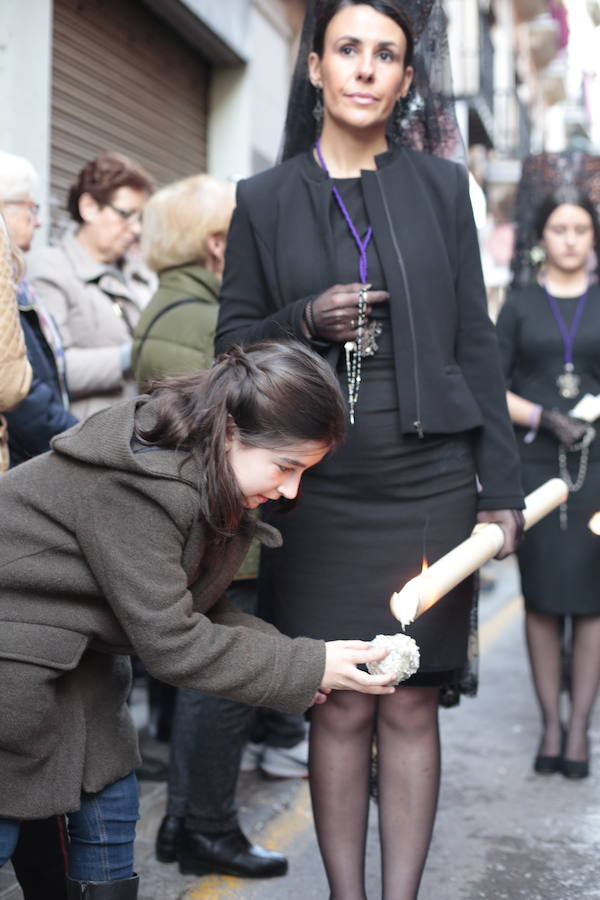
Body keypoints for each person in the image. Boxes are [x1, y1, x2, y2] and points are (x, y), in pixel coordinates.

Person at [216, 2, 524, 898]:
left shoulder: (439, 189)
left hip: (430, 479)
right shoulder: (263, 200)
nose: (364, 68)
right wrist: (302, 322)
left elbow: (478, 342)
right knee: (340, 700)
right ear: (314, 68)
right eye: (347, 50)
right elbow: (229, 345)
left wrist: (500, 493)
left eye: (384, 55)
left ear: (403, 78)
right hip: (316, 488)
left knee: (413, 698)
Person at [0, 340, 398, 899]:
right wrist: (306, 665)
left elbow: (202, 611)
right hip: (12, 687)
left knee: (108, 848)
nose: (290, 490)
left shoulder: (205, 471)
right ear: (231, 430)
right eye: (286, 467)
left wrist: (312, 665)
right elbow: (173, 642)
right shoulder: (141, 485)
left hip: (77, 679)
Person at [133, 174, 304, 877]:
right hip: (220, 529)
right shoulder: (194, 319)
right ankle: (206, 826)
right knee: (224, 685)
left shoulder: (175, 303)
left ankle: (184, 824)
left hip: (211, 529)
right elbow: (213, 437)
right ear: (216, 244)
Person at [496, 183, 600, 781]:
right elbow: (491, 382)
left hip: (595, 468)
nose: (570, 239)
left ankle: (581, 728)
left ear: (592, 240)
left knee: (589, 602)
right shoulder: (519, 305)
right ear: (541, 240)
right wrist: (542, 416)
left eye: (581, 230)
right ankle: (550, 726)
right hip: (533, 463)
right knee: (541, 598)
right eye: (559, 229)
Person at [26, 152, 155, 420]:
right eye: (126, 214)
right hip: (88, 437)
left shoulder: (140, 276)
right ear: (89, 207)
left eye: (140, 219)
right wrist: (134, 356)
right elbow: (53, 367)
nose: (136, 230)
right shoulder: (49, 269)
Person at [0, 152, 78, 466]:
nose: (39, 220)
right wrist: (79, 439)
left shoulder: (19, 280)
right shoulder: (9, 282)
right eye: (30, 208)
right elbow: (16, 387)